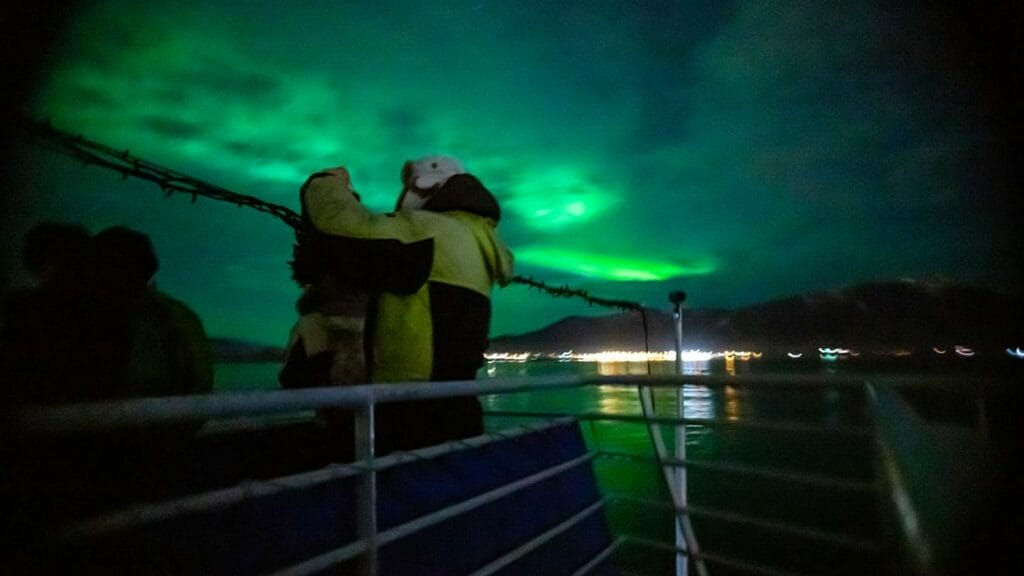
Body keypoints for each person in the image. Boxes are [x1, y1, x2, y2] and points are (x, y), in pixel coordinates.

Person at [298, 156, 514, 452]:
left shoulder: (427, 232)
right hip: (459, 408)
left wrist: (328, 183)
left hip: (410, 418)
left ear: (424, 191)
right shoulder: (477, 239)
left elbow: (342, 227)